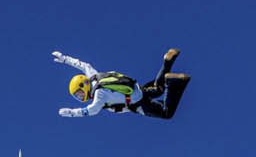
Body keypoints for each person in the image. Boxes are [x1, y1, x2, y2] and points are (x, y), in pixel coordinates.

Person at [54, 48, 182, 118]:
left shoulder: (99, 95)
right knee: (158, 88)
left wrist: (71, 113)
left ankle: (173, 82)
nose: (81, 97)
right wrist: (65, 59)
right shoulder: (94, 76)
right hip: (136, 89)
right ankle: (167, 62)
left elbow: (91, 110)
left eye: (79, 93)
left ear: (84, 85)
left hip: (136, 103)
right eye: (78, 97)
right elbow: (82, 65)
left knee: (166, 113)